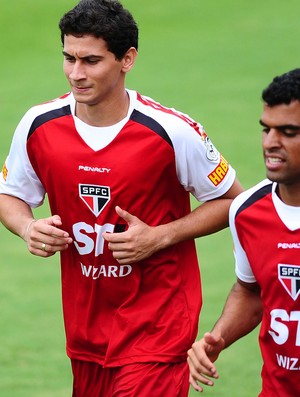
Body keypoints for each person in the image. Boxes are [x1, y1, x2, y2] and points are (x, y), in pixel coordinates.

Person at [0, 1, 242, 396]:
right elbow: (10, 194)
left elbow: (234, 202)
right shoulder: (39, 125)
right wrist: (27, 226)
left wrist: (160, 236)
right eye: (69, 58)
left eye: (91, 61)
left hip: (158, 326)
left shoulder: (171, 132)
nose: (76, 74)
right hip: (86, 329)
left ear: (127, 58)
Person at [187, 68, 300, 397]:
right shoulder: (247, 211)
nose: (270, 143)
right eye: (267, 129)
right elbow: (251, 292)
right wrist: (218, 337)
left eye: (288, 132)